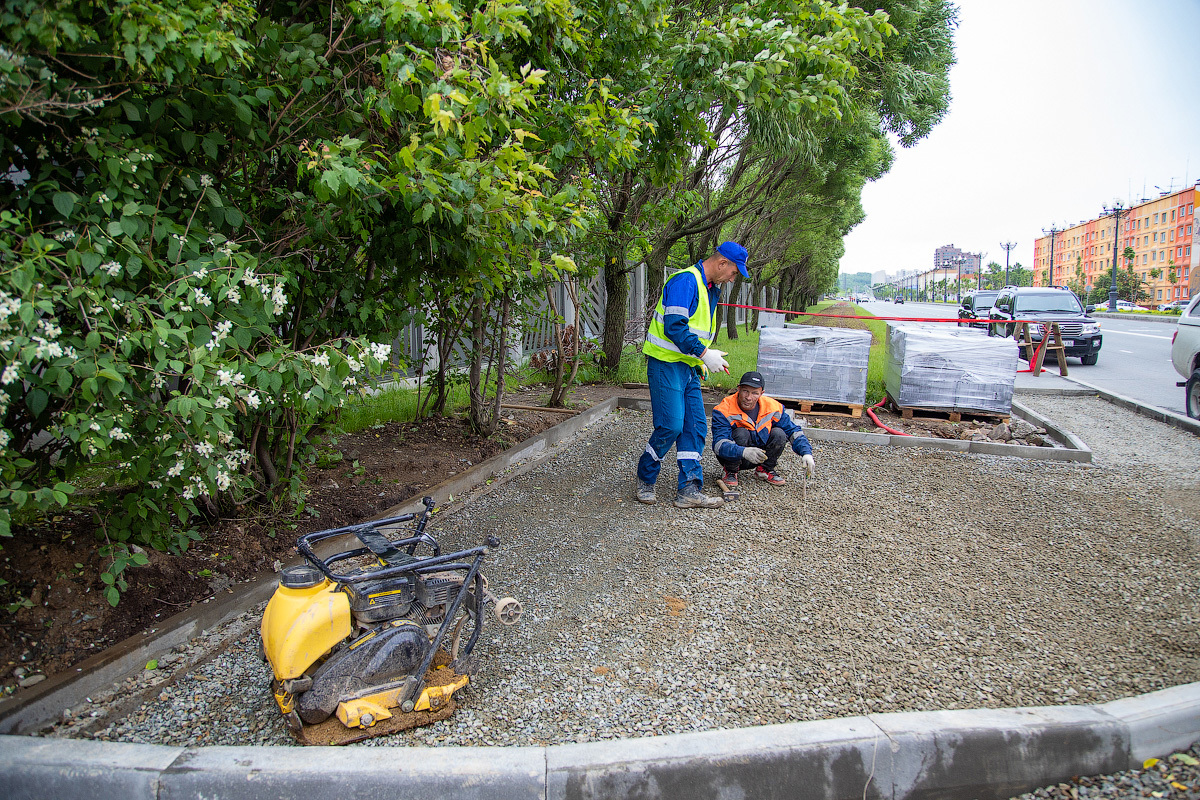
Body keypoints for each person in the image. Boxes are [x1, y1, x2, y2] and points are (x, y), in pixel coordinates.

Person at [636, 241, 748, 508]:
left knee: (695, 426)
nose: (733, 278)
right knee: (671, 425)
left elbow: (695, 330)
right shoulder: (686, 281)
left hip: (688, 367)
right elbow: (675, 327)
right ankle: (645, 478)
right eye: (734, 272)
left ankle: (689, 489)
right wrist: (704, 353)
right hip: (666, 365)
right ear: (722, 263)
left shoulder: (710, 289)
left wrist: (704, 357)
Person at [711, 371, 815, 487]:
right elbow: (718, 445)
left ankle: (765, 469)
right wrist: (743, 451)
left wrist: (806, 452)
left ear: (762, 393)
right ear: (738, 389)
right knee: (741, 433)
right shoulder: (723, 410)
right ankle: (730, 471)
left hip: (761, 456)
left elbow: (793, 431)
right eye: (745, 391)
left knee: (779, 433)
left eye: (755, 393)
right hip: (735, 455)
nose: (749, 397)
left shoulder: (773, 407)